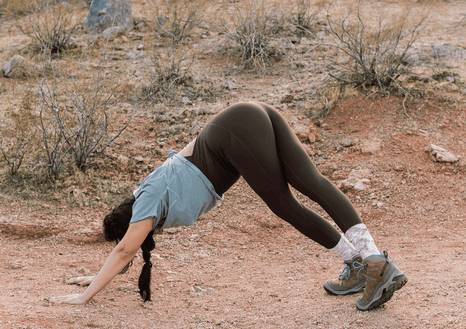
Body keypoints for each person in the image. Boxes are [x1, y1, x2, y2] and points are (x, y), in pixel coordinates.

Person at [48, 102, 407, 311]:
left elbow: (126, 249)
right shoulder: (151, 193)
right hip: (242, 117)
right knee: (308, 185)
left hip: (234, 131)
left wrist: (83, 296)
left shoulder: (148, 201)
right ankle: (363, 262)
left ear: (133, 221)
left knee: (284, 203)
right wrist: (96, 279)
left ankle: (372, 262)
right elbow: (126, 250)